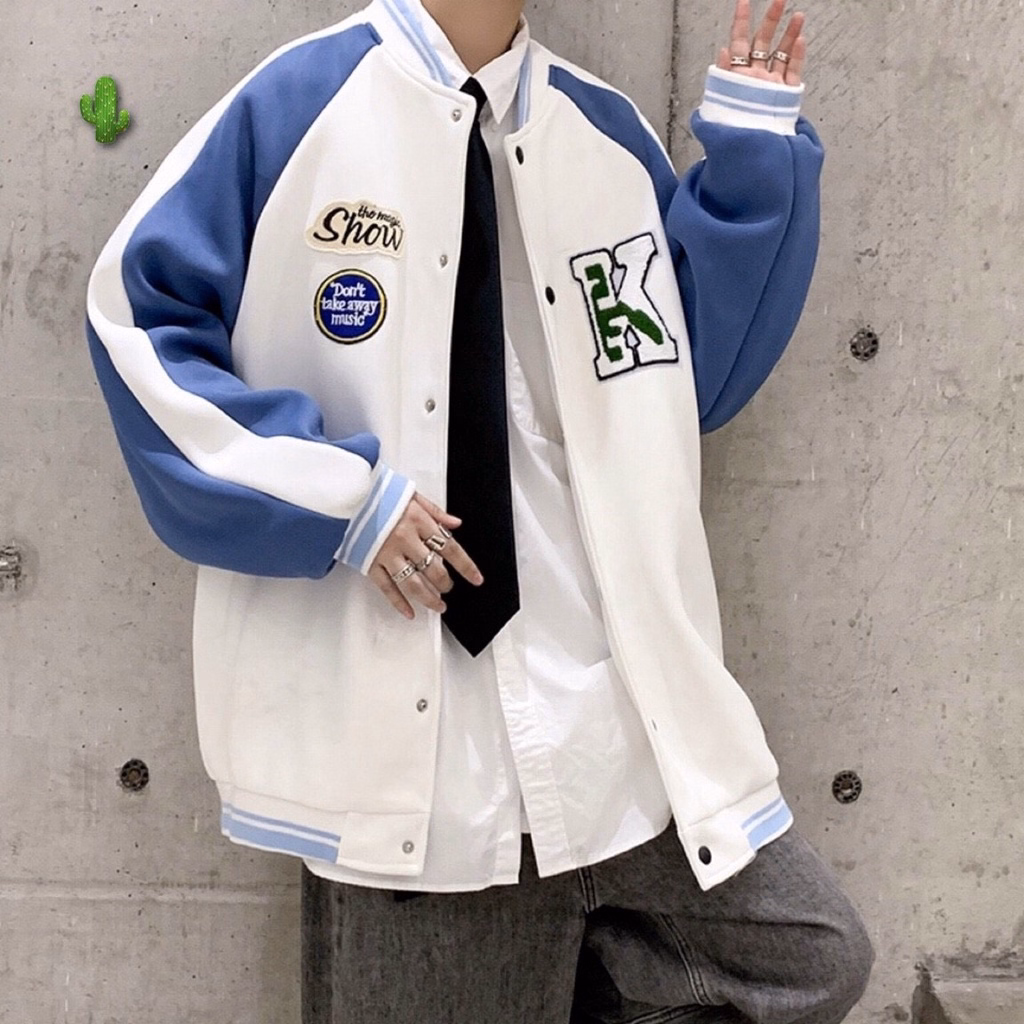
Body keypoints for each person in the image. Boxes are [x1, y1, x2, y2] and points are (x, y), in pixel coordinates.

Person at [85, 0, 874, 1020]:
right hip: (415, 759)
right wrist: (342, 502)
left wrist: (754, 159)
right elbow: (135, 327)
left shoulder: (599, 131)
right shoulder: (296, 105)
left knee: (813, 960)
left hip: (605, 728)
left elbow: (688, 380)